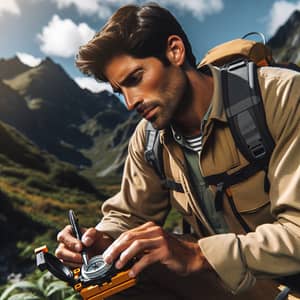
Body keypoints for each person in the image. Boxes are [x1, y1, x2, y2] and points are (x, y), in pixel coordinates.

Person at [55, 3, 300, 299]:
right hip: (237, 288)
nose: (130, 103)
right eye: (120, 92)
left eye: (135, 79)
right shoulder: (147, 140)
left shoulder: (283, 96)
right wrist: (101, 240)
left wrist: (197, 254)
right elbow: (129, 215)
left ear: (174, 51)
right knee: (118, 281)